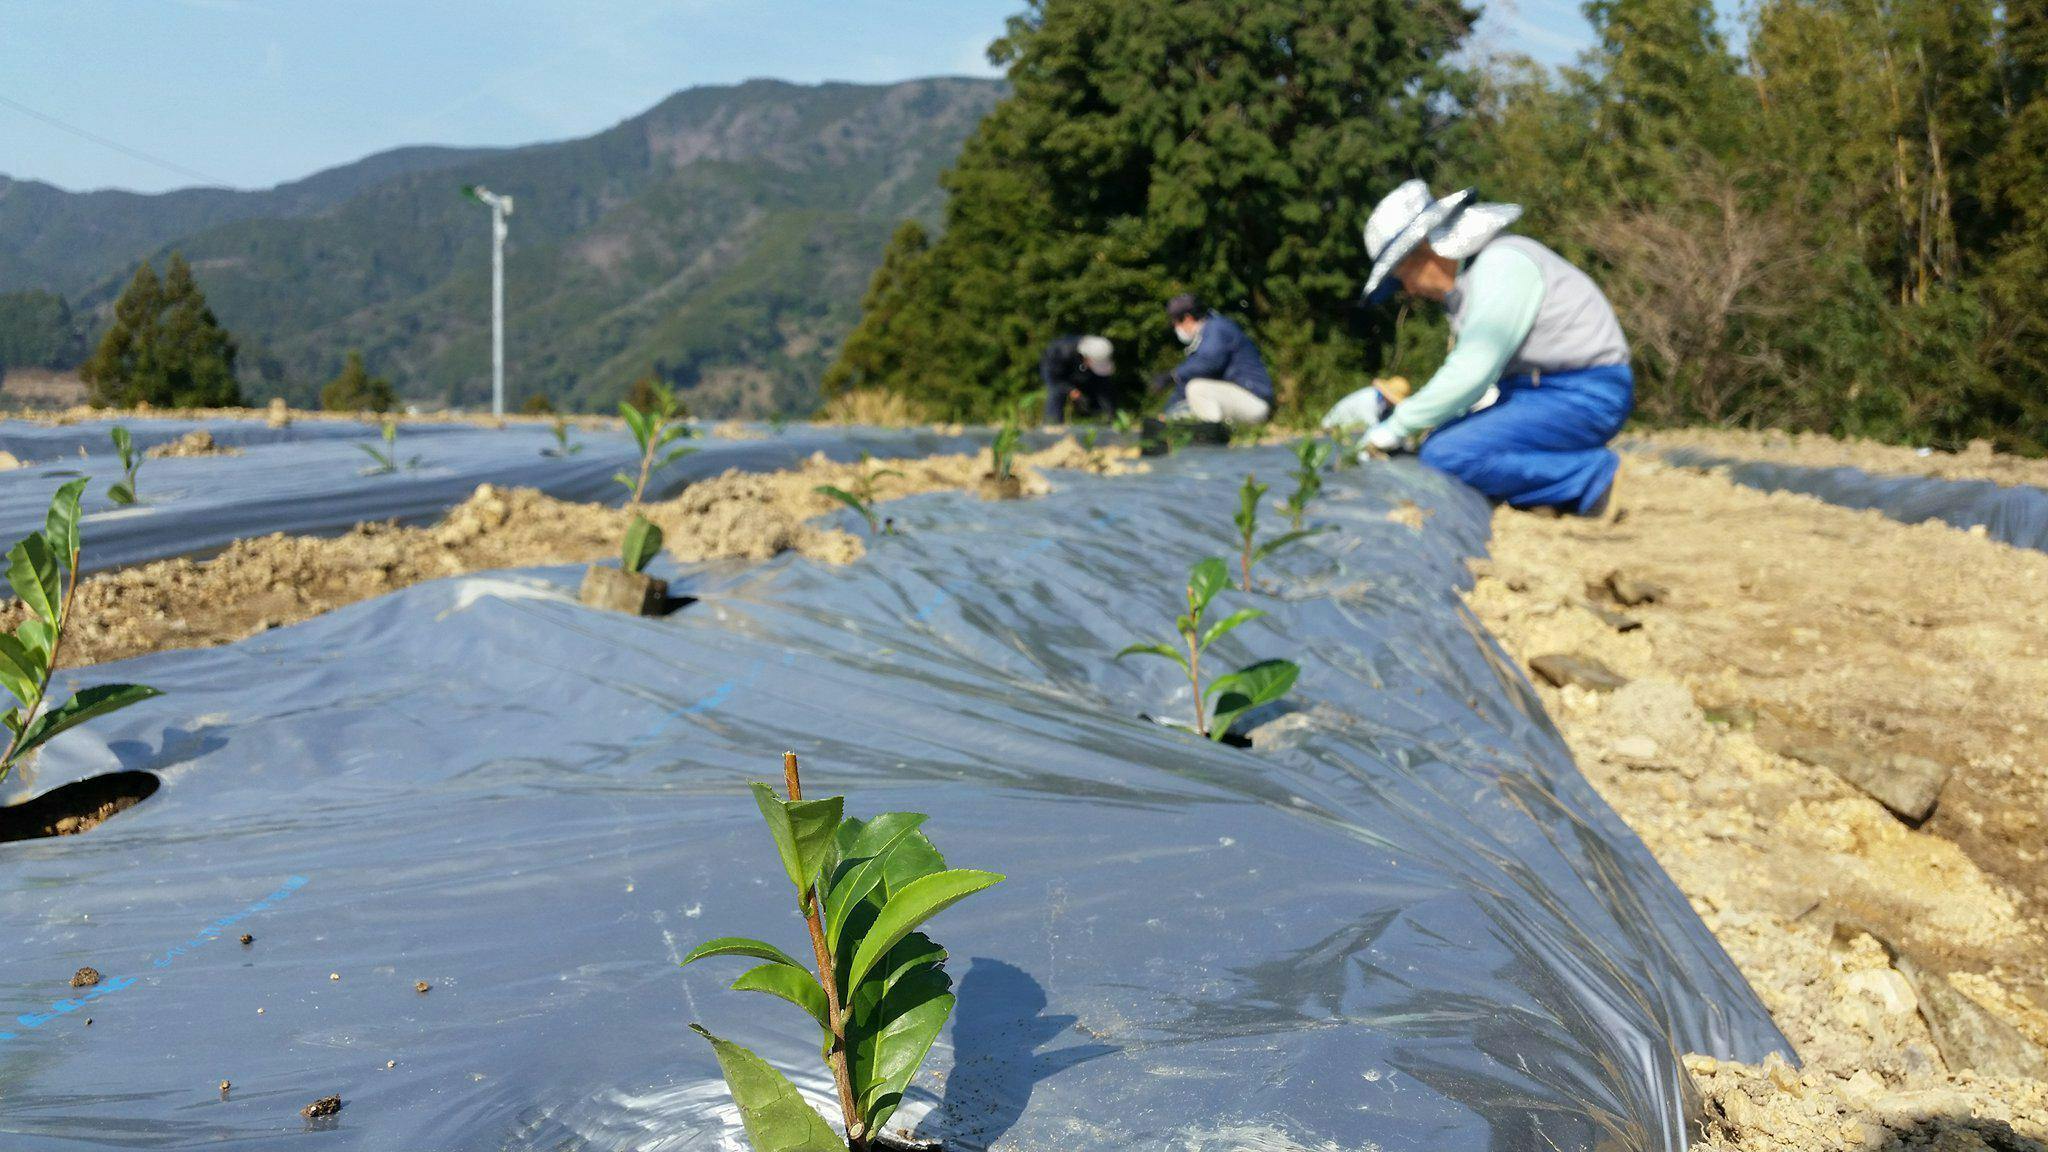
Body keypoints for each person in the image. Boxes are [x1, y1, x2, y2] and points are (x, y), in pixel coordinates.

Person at [1322, 181, 1633, 517]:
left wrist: (1396, 427)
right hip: (1541, 392)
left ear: (1429, 247)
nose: (1408, 289)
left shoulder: (1502, 265)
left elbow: (1473, 371)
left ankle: (1589, 478)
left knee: (1447, 454)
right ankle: (1556, 484)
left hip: (1585, 392)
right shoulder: (1480, 277)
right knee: (1444, 442)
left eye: (1404, 275)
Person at [1156, 294, 1274, 426]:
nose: (1176, 328)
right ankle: (1213, 431)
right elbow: (1189, 378)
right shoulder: (1204, 337)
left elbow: (1210, 364)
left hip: (1254, 401)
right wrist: (1166, 413)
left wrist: (1173, 375)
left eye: (1176, 323)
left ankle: (1213, 437)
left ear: (1188, 319)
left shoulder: (1217, 329)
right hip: (1238, 398)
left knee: (1197, 389)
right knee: (1182, 409)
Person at [1040, 334, 1119, 423]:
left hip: (1080, 368)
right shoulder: (1061, 352)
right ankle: (1052, 425)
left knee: (1103, 389)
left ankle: (1108, 421)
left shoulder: (1098, 351)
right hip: (1056, 372)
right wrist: (1071, 390)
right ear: (1085, 357)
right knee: (1056, 393)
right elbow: (1055, 379)